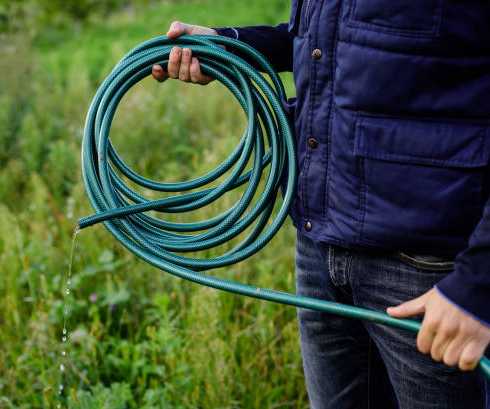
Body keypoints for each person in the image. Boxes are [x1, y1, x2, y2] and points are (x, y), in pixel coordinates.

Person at [151, 2, 490, 408]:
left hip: (425, 268)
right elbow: (324, 42)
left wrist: (476, 287)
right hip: (320, 245)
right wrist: (228, 44)